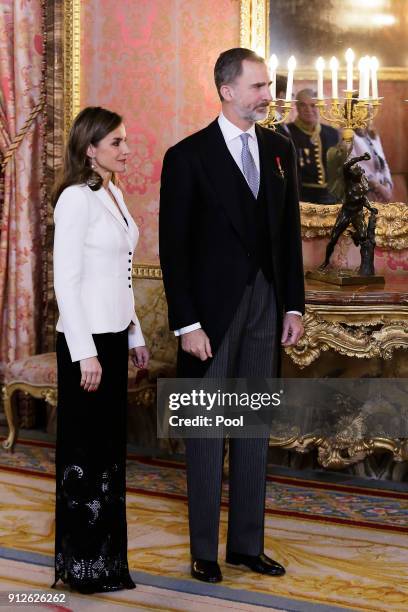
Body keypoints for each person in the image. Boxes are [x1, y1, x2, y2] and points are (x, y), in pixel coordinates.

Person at [159, 48, 304, 584]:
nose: (268, 95)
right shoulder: (188, 156)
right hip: (209, 318)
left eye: (267, 86)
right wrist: (186, 323)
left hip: (268, 306)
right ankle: (203, 550)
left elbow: (286, 236)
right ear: (226, 90)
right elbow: (173, 250)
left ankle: (246, 545)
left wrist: (293, 304)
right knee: (205, 432)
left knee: (251, 429)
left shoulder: (279, 148)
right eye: (259, 86)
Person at [52, 106, 149, 594]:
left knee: (109, 455)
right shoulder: (74, 199)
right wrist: (84, 352)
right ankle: (82, 567)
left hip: (112, 338)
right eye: (116, 143)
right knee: (84, 456)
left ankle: (107, 564)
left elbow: (121, 272)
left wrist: (134, 335)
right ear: (90, 149)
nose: (126, 149)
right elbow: (66, 283)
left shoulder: (113, 192)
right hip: (83, 342)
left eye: (125, 140)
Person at [288, 88, 340, 204]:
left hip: (330, 198)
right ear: (296, 107)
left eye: (313, 105)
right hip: (300, 198)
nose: (308, 110)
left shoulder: (332, 133)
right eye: (303, 105)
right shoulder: (287, 133)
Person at [350, 125, 393, 202]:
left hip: (382, 192)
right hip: (364, 191)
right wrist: (376, 186)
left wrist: (387, 186)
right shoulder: (349, 135)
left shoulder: (373, 135)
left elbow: (384, 163)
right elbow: (353, 167)